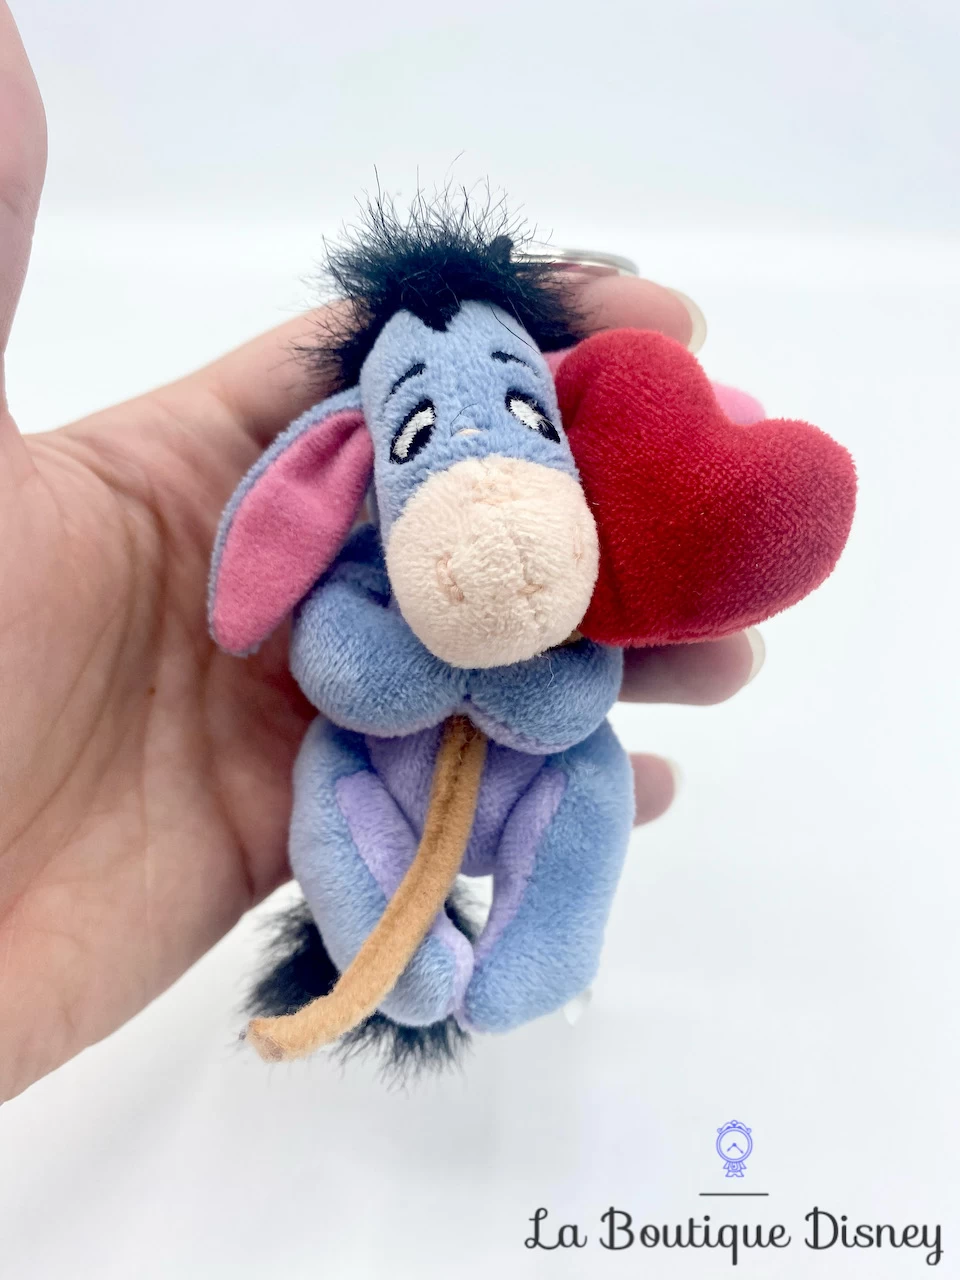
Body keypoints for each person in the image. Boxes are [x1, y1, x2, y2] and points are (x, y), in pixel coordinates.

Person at [0, 4, 763, 1104]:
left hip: (534, 784)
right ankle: (395, 956)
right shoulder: (362, 571)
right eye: (414, 435)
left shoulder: (579, 580)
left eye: (527, 415)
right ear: (353, 454)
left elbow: (576, 697)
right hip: (387, 788)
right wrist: (427, 673)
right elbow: (337, 663)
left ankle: (544, 946)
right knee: (332, 787)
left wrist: (527, 679)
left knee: (590, 783)